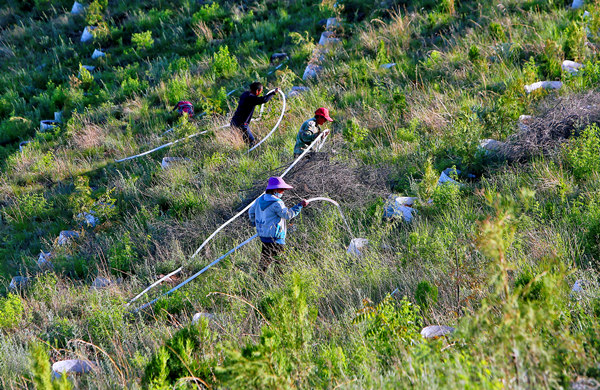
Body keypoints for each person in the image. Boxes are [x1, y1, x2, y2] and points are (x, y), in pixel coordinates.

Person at [248, 177, 308, 274]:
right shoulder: (277, 203)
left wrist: (255, 223)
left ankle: (259, 279)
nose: (282, 192)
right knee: (280, 262)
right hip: (276, 237)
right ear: (274, 190)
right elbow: (287, 215)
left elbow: (251, 212)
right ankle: (278, 282)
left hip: (264, 236)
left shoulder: (259, 200)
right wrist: (299, 206)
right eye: (281, 190)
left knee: (265, 259)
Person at [231, 82, 279, 147]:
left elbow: (261, 99)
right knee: (252, 143)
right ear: (257, 91)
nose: (260, 94)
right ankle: (249, 154)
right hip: (242, 125)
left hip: (234, 122)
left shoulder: (245, 94)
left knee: (243, 142)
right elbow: (264, 100)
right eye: (260, 91)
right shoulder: (251, 98)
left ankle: (245, 152)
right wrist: (274, 92)